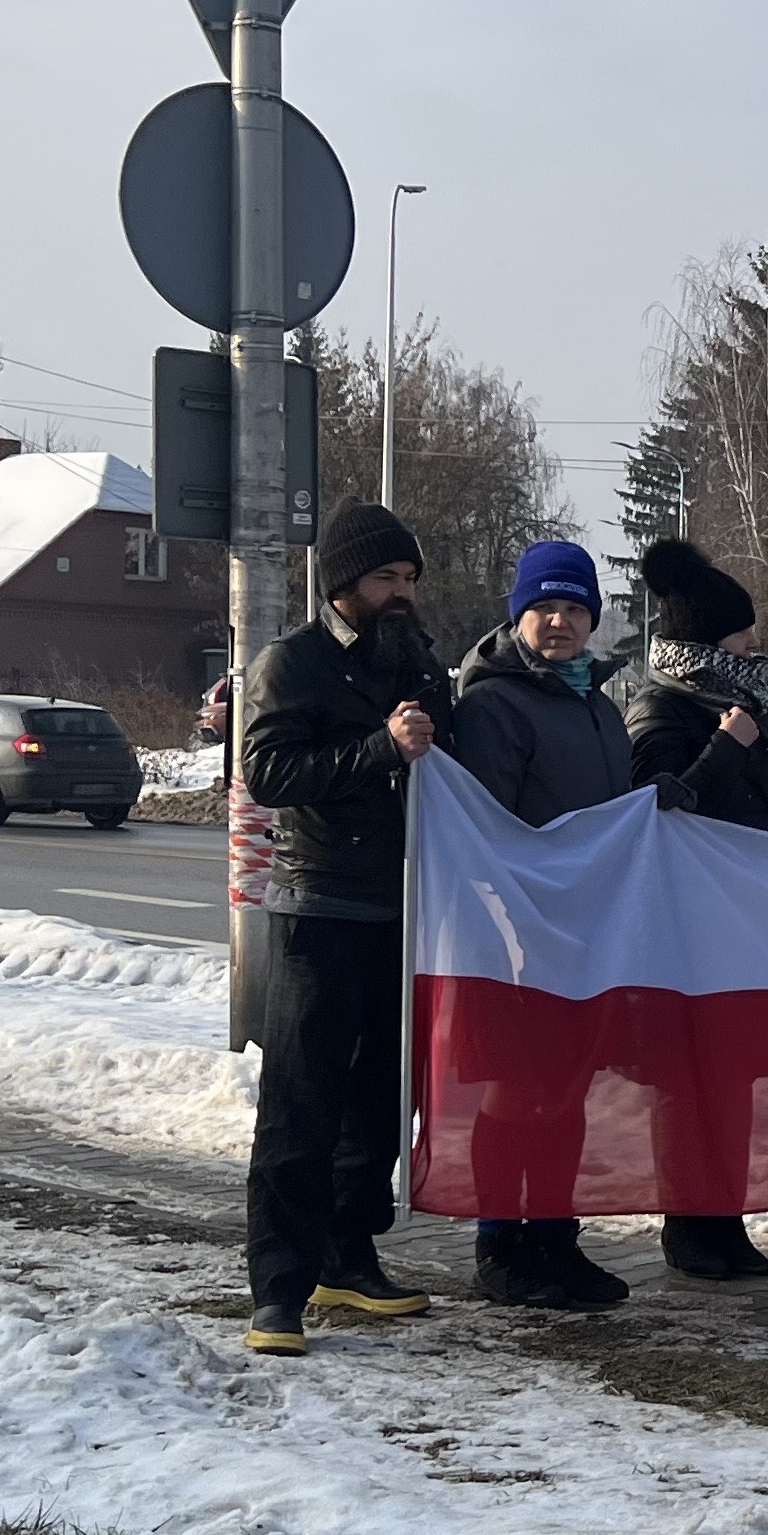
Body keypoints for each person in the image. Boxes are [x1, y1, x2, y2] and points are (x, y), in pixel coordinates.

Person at [238, 502, 454, 1357]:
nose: (400, 594)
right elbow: (269, 772)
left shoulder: (420, 664)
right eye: (384, 579)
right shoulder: (290, 664)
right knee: (303, 1103)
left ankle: (348, 1256)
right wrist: (379, 750)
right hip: (319, 908)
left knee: (378, 1101)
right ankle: (278, 1292)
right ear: (342, 585)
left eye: (408, 579)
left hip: (403, 911)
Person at [454, 540, 637, 1312]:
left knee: (566, 1091)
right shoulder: (493, 705)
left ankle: (555, 1237)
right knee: (512, 1090)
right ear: (518, 614)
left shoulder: (598, 706)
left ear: (592, 619)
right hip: (515, 936)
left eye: (572, 608)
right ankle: (501, 1243)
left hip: (586, 936)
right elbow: (485, 829)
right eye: (543, 607)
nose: (558, 621)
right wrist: (514, 919)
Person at [627, 536, 768, 1280]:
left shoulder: (736, 706)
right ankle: (688, 1225)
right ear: (706, 643)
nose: (754, 647)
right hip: (687, 931)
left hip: (744, 925)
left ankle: (723, 1216)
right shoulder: (662, 709)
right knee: (689, 1082)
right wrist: (727, 748)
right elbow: (659, 805)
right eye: (741, 636)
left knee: (737, 1079)